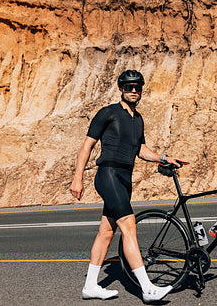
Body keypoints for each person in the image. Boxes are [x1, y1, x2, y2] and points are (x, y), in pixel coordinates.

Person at [70, 70, 187, 302]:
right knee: (129, 226)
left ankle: (90, 286)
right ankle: (148, 289)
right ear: (121, 89)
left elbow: (140, 150)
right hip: (108, 174)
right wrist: (77, 177)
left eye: (137, 87)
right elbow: (87, 146)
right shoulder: (108, 113)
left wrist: (164, 158)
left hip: (125, 178)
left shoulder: (138, 119)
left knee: (106, 232)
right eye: (129, 87)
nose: (134, 91)